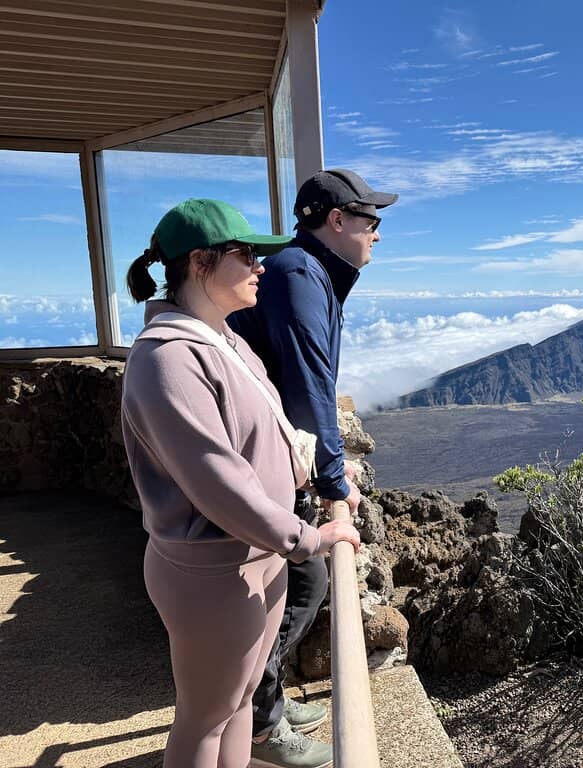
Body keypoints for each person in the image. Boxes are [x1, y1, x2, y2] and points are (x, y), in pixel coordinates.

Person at [121, 198, 361, 768]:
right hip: (213, 572)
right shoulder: (167, 361)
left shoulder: (223, 340)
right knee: (205, 719)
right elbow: (217, 481)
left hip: (254, 561)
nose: (260, 266)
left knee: (237, 706)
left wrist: (309, 465)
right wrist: (310, 540)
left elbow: (261, 433)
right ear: (200, 263)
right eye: (246, 254)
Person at [228, 169, 398, 767]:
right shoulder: (301, 276)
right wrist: (334, 481)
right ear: (337, 220)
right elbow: (309, 390)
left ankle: (264, 700)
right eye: (371, 220)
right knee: (294, 583)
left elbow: (311, 385)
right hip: (261, 461)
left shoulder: (311, 271)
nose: (378, 232)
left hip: (272, 455)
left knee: (300, 582)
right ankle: (260, 724)